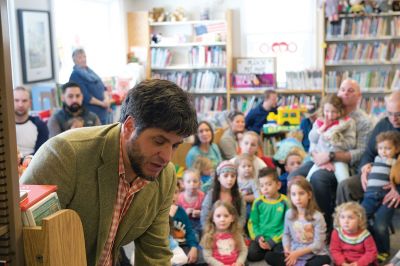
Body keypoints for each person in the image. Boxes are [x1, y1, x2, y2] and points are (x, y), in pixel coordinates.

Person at [20, 79, 198, 265]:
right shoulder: (64, 155)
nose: (167, 157)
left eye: (175, 145)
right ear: (129, 127)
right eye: (159, 142)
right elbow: (24, 243)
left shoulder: (164, 175)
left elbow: (155, 255)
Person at [289, 79, 373, 232]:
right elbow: (313, 142)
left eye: (350, 90)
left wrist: (331, 156)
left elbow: (361, 152)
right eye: (342, 89)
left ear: (359, 96)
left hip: (346, 164)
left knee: (318, 179)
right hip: (319, 157)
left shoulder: (363, 121)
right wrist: (317, 156)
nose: (345, 93)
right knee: (294, 177)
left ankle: (325, 227)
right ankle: (299, 224)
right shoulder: (326, 114)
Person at [265, 176, 330, 266]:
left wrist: (297, 254)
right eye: (294, 194)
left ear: (309, 195)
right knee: (269, 256)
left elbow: (318, 244)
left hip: (314, 254)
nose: (297, 198)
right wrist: (287, 249)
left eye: (301, 193)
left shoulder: (318, 217)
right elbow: (286, 234)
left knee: (325, 260)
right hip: (294, 250)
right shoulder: (289, 214)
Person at [360, 131, 400, 261]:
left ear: (396, 149)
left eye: (388, 148)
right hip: (370, 196)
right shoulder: (375, 160)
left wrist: (395, 186)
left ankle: (384, 251)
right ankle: (370, 245)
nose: (384, 151)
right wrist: (366, 169)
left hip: (386, 197)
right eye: (381, 148)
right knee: (360, 218)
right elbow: (367, 167)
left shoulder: (396, 163)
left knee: (381, 226)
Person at [306, 94, 356, 183]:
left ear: (340, 111)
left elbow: (351, 143)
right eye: (327, 111)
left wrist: (336, 141)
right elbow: (312, 139)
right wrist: (323, 128)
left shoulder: (347, 123)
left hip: (338, 159)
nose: (330, 115)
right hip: (320, 158)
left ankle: (342, 197)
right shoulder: (319, 122)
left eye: (334, 112)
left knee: (344, 181)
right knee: (308, 180)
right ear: (323, 110)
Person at [247, 168, 289, 263]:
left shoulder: (285, 202)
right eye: (262, 186)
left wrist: (274, 240)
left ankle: (270, 253)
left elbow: (288, 226)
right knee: (251, 255)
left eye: (269, 184)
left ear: (278, 185)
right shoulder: (258, 202)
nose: (265, 188)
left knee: (282, 253)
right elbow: (253, 222)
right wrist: (257, 237)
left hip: (278, 238)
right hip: (262, 237)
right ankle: (267, 252)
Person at [69, 48, 111, 125]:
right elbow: (86, 96)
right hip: (91, 114)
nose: (83, 59)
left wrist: (107, 99)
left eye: (84, 56)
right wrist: (102, 104)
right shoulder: (75, 75)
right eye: (80, 57)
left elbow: (103, 87)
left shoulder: (90, 71)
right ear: (74, 60)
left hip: (103, 111)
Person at [200, 200, 248, 266]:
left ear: (232, 218)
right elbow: (207, 256)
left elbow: (243, 250)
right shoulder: (209, 236)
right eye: (218, 216)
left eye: (226, 216)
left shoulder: (236, 234)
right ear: (213, 219)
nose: (222, 219)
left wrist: (239, 262)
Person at [200, 161, 246, 228]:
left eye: (233, 176)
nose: (230, 179)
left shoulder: (239, 196)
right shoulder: (211, 195)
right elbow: (204, 216)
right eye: (225, 176)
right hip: (214, 231)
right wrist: (210, 231)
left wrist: (236, 231)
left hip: (234, 232)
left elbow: (242, 217)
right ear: (218, 178)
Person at [330, 202, 378, 266]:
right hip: (343, 262)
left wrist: (358, 263)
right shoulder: (336, 232)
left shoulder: (365, 235)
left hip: (361, 263)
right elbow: (335, 250)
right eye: (342, 217)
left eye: (350, 218)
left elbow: (371, 253)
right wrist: (342, 263)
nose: (346, 221)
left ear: (359, 220)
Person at [14, 86, 49, 157]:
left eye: (24, 101)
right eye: (16, 100)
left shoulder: (40, 125)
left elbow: (41, 153)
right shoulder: (4, 126)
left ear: (30, 103)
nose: (20, 105)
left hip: (32, 164)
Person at [170, 182, 199, 264]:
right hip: (167, 247)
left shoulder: (181, 211)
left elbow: (189, 231)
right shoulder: (159, 212)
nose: (173, 196)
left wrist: (193, 247)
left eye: (175, 192)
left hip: (183, 245)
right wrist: (169, 217)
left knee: (196, 259)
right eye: (169, 192)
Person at [176, 169, 205, 237]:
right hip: (183, 223)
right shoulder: (179, 197)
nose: (192, 184)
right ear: (183, 184)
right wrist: (185, 213)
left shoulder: (202, 196)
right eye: (188, 182)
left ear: (200, 183)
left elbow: (206, 211)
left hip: (198, 222)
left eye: (195, 181)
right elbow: (176, 214)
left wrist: (200, 213)